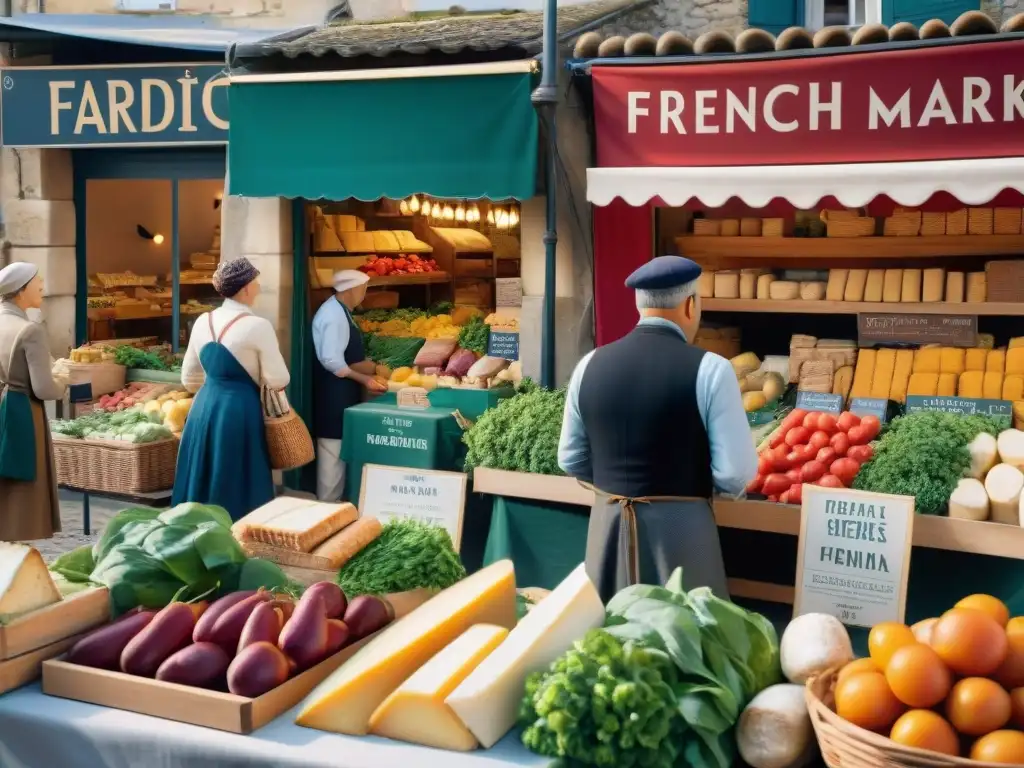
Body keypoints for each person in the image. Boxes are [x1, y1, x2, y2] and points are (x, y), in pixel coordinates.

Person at [558, 255, 758, 602]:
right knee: (686, 639)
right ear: (690, 305)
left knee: (606, 642)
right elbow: (735, 474)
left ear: (639, 306)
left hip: (607, 530)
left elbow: (569, 458)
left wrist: (617, 483)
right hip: (681, 533)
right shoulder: (712, 370)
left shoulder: (588, 364)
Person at [173, 257, 290, 521]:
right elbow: (278, 379)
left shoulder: (202, 321)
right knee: (238, 477)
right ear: (246, 288)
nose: (259, 287)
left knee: (202, 473)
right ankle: (240, 532)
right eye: (256, 282)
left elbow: (189, 379)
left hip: (203, 408)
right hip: (240, 410)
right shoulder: (258, 326)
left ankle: (193, 529)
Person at [0, 262, 67, 541]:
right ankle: (15, 545)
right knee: (22, 483)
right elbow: (44, 389)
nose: (42, 285)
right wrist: (63, 378)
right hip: (23, 413)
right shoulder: (30, 331)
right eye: (37, 281)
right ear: (21, 290)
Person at [312, 269, 386, 501]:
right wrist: (365, 378)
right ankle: (327, 509)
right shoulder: (333, 315)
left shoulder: (340, 311)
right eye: (363, 289)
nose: (364, 294)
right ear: (352, 289)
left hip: (342, 391)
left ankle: (335, 506)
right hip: (333, 393)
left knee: (339, 451)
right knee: (331, 454)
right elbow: (332, 361)